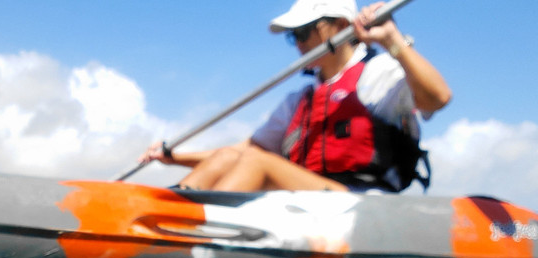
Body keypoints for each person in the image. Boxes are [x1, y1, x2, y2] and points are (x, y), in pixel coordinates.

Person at [139, 0, 452, 193]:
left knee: (257, 163)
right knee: (231, 157)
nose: (298, 43)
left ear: (341, 26)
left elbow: (437, 98)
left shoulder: (379, 74)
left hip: (362, 198)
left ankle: (188, 228)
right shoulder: (300, 100)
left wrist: (393, 39)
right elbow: (240, 151)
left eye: (304, 32)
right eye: (293, 35)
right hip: (308, 198)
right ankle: (172, 206)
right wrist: (175, 158)